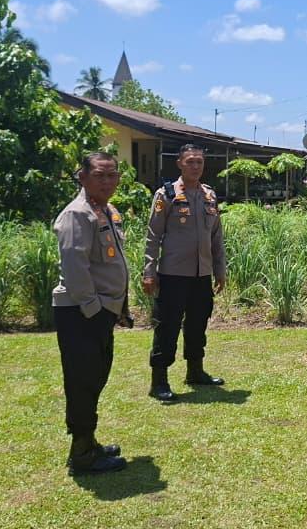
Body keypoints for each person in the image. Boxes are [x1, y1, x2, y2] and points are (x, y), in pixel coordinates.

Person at [52, 151, 132, 475]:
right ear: (82, 177)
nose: (107, 181)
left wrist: (118, 308)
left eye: (112, 175)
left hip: (99, 312)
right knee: (83, 382)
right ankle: (82, 454)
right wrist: (94, 309)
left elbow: (110, 263)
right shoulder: (77, 213)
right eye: (100, 175)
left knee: (94, 379)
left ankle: (88, 442)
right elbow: (74, 267)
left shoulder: (105, 211)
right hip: (82, 313)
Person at [142, 144, 226, 402]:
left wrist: (219, 270)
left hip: (201, 275)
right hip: (173, 275)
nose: (195, 166)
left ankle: (195, 371)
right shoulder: (166, 194)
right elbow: (153, 236)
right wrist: (149, 271)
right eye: (190, 161)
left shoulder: (209, 196)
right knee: (167, 327)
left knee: (197, 325)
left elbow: (216, 237)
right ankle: (159, 381)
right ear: (179, 163)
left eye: (199, 162)